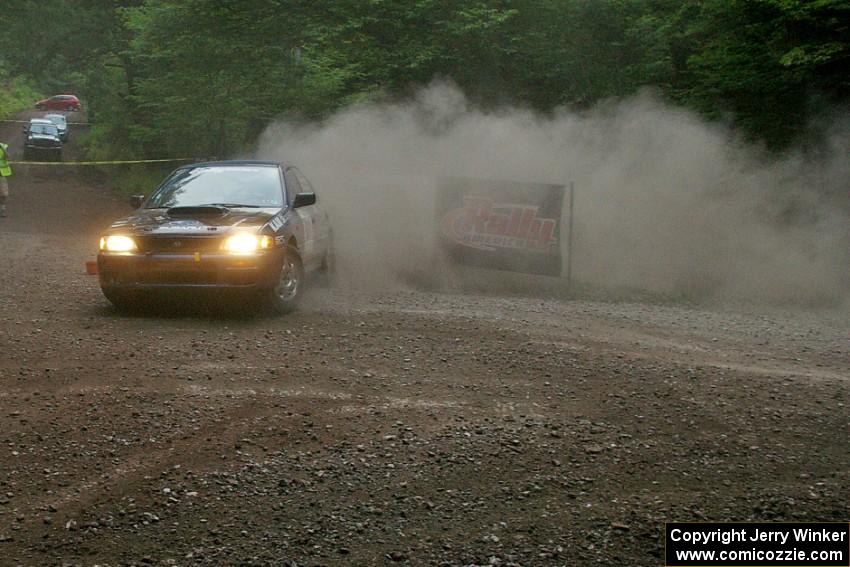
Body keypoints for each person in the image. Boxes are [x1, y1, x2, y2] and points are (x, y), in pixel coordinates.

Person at [0, 141, 10, 217]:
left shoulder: (3, 146)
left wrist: (3, 149)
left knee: (4, 194)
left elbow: (8, 156)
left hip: (1, 174)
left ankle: (2, 209)